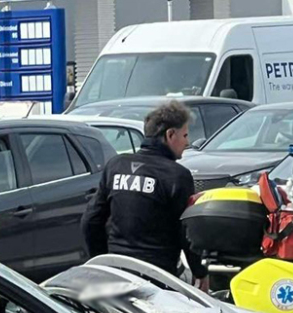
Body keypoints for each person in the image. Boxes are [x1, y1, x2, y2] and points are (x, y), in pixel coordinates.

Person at [81, 100, 207, 281]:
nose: (187, 143)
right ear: (170, 134)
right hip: (158, 275)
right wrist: (199, 272)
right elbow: (185, 233)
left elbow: (90, 221)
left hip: (116, 272)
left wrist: (102, 262)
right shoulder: (177, 175)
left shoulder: (116, 165)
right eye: (185, 135)